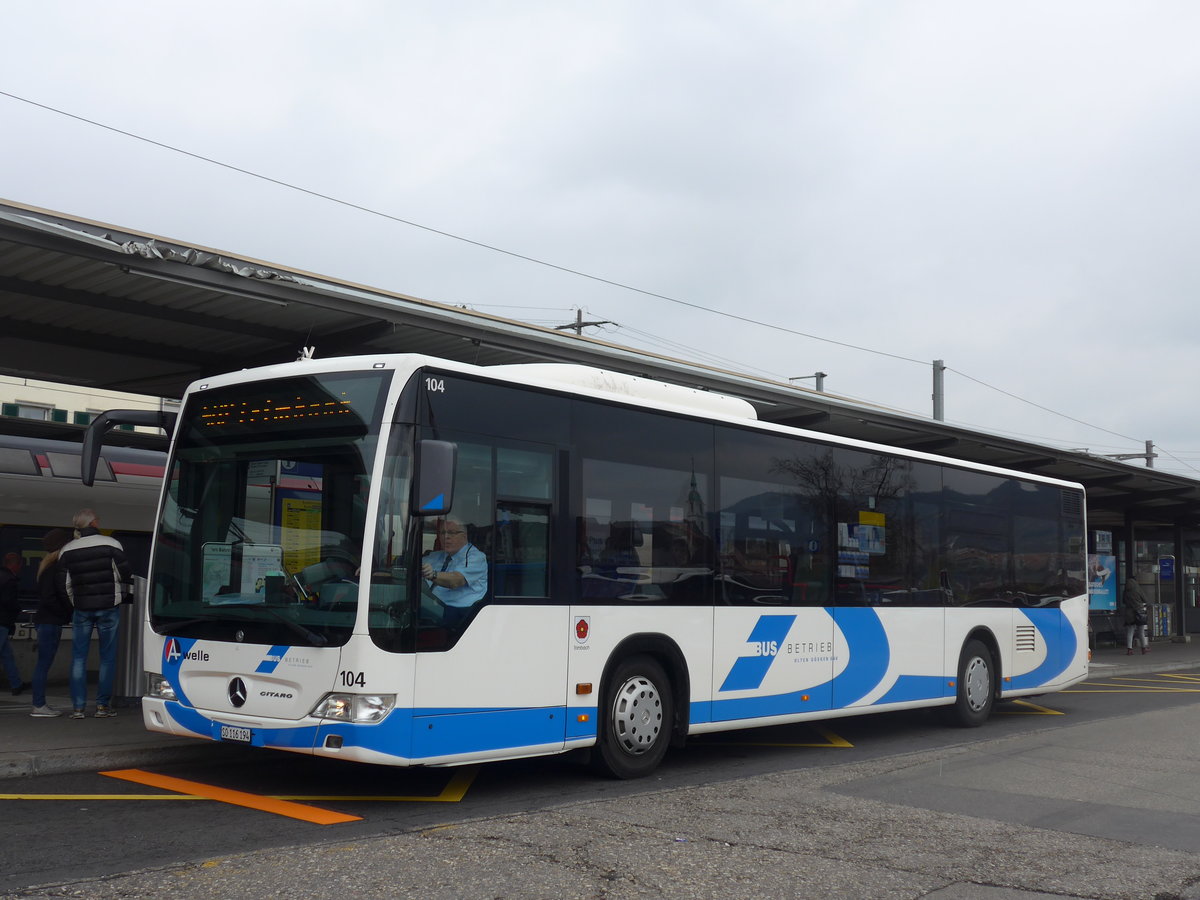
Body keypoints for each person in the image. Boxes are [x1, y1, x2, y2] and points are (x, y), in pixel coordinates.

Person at [57, 509, 133, 718]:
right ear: (93, 523)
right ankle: (102, 706)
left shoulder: (67, 550)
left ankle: (78, 708)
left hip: (81, 608)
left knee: (78, 658)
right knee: (107, 658)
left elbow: (64, 585)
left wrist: (75, 603)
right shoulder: (111, 544)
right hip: (109, 606)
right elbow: (125, 573)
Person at [30, 529, 73, 717]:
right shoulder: (55, 568)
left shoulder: (46, 566)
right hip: (50, 621)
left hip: (46, 620)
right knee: (43, 665)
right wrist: (65, 612)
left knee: (42, 664)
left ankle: (39, 704)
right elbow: (50, 598)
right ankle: (38, 705)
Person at [420, 517, 487, 625]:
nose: (446, 537)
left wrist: (432, 574)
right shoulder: (437, 556)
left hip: (459, 615)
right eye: (442, 533)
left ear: (464, 536)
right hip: (433, 607)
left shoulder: (476, 557)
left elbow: (456, 580)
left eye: (451, 533)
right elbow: (413, 565)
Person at [0, 551, 28, 696]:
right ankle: (16, 684)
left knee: (7, 655)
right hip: (2, 621)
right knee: (5, 654)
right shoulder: (10, 580)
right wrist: (19, 609)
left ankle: (16, 684)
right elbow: (8, 601)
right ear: (16, 565)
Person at [1122, 576, 1150, 656]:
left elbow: (1123, 601)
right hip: (1139, 612)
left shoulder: (1125, 590)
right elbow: (1145, 599)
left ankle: (1129, 650)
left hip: (1129, 613)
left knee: (1130, 631)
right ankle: (1143, 649)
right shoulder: (1138, 588)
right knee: (1141, 631)